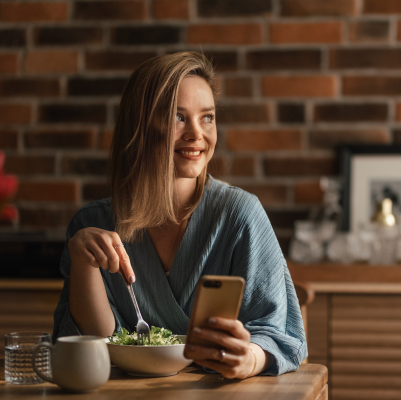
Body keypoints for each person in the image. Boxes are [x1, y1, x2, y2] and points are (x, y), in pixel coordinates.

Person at [52, 51, 307, 379]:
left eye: (208, 117)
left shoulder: (240, 215)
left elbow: (276, 335)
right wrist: (82, 261)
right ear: (140, 126)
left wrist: (250, 359)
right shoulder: (92, 225)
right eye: (178, 117)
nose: (196, 134)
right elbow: (96, 342)